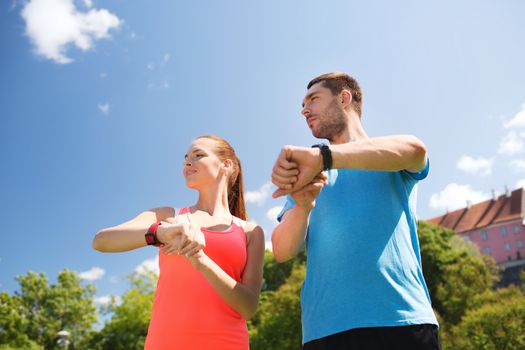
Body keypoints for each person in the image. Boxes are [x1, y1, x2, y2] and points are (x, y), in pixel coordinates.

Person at [271, 72, 440, 350]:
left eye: (313, 99)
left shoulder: (386, 155)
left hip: (401, 320)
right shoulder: (308, 176)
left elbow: (415, 150)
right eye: (302, 104)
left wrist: (324, 157)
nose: (304, 110)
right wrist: (302, 205)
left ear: (344, 97)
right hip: (324, 330)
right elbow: (282, 250)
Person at [93, 135, 265, 350]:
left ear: (226, 165)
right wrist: (159, 234)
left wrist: (201, 260)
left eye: (198, 155)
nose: (187, 162)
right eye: (185, 157)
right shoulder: (168, 216)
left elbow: (248, 307)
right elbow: (102, 241)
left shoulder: (251, 232)